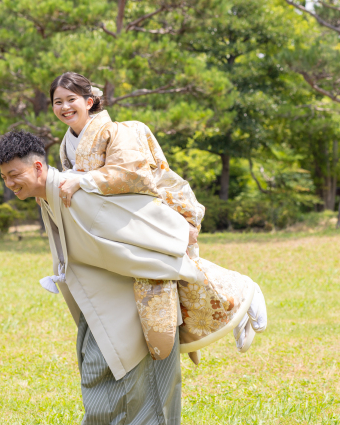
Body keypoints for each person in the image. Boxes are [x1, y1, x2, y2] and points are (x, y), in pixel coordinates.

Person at [0, 132, 202, 425]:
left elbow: (131, 217)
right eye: (4, 178)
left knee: (104, 368)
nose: (10, 184)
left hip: (127, 292)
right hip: (102, 292)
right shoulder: (49, 195)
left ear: (36, 166)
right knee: (109, 365)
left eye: (14, 175)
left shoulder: (75, 190)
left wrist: (180, 233)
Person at [48, 72, 267, 362]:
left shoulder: (114, 131)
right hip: (116, 225)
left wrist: (82, 180)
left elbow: (133, 173)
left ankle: (241, 290)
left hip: (144, 217)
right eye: (57, 101)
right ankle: (234, 306)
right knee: (173, 279)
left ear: (89, 101)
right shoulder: (68, 143)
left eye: (71, 99)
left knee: (173, 270)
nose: (64, 107)